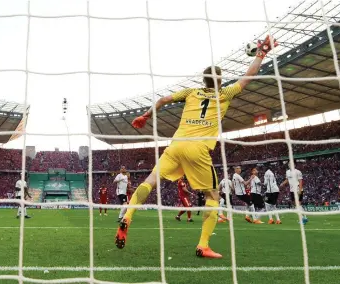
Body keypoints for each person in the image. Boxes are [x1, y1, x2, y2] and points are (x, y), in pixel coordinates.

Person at [115, 35, 278, 258]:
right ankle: (203, 245)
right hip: (198, 149)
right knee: (213, 195)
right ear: (219, 81)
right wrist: (261, 53)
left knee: (149, 182)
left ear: (204, 82)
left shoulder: (191, 93)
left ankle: (128, 216)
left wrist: (146, 115)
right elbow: (248, 77)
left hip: (175, 145)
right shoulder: (224, 93)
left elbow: (163, 100)